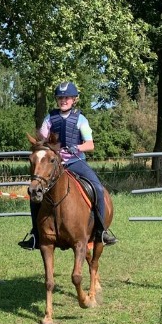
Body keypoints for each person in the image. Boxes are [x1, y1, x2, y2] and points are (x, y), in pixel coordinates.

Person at [19, 81, 117, 249]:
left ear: (74, 100)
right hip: (53, 165)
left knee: (97, 188)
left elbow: (90, 145)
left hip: (75, 161)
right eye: (60, 98)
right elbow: (42, 140)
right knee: (35, 192)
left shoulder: (81, 119)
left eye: (67, 98)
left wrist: (77, 147)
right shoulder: (49, 118)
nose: (63, 101)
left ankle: (101, 231)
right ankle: (36, 234)